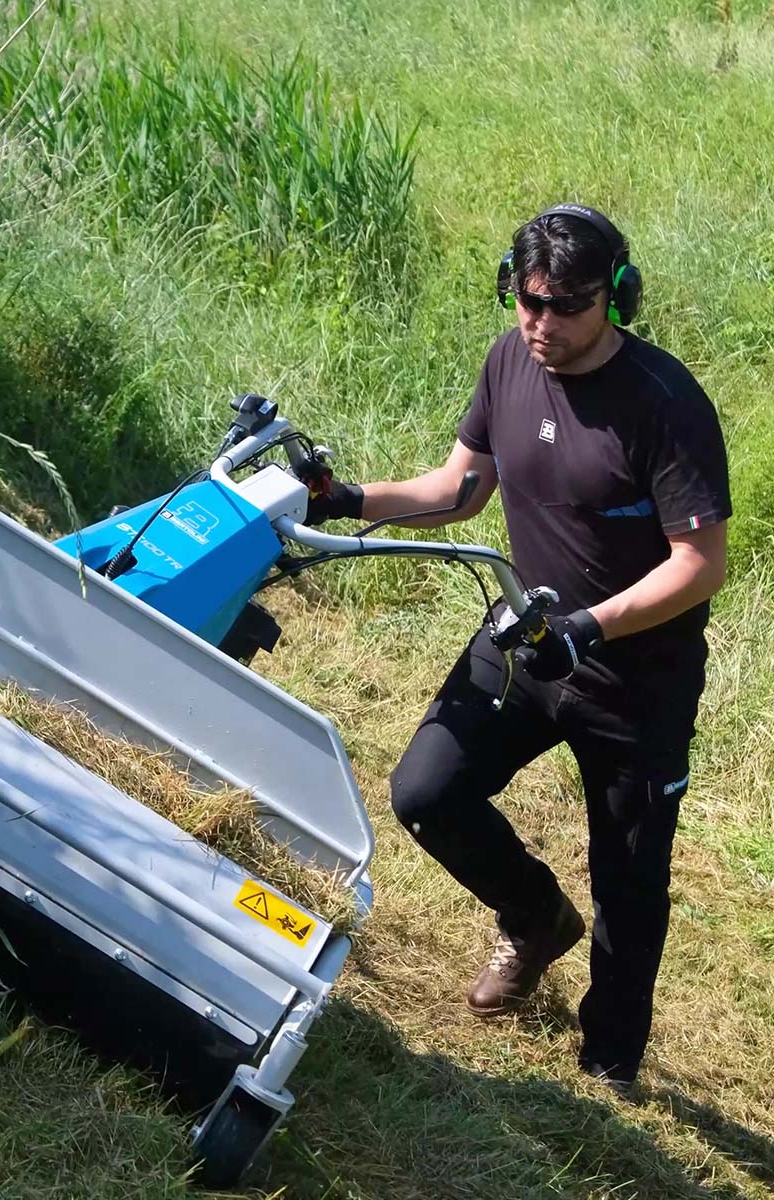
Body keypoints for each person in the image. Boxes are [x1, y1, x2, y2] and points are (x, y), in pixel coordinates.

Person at [305, 203, 731, 1094]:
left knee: (629, 877)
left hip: (631, 676)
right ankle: (535, 920)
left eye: (565, 307)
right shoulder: (511, 361)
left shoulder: (664, 405)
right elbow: (458, 489)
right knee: (425, 791)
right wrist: (347, 500)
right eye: (526, 302)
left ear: (615, 297)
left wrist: (592, 626)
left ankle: (610, 1061)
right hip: (527, 640)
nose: (541, 326)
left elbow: (700, 565)